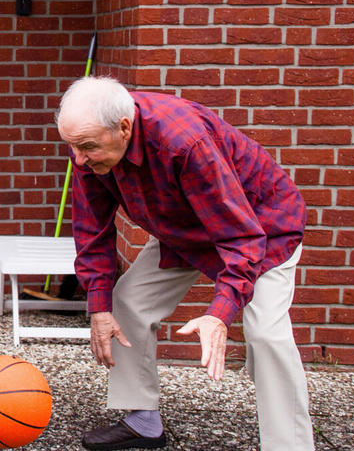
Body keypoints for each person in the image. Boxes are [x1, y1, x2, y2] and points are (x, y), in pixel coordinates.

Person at [56, 76, 313, 450]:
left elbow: (240, 237)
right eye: (73, 147)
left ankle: (290, 445)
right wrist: (97, 305)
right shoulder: (89, 142)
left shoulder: (183, 141)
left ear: (124, 128)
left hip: (262, 227)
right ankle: (143, 420)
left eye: (87, 148)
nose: (78, 159)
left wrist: (219, 313)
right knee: (126, 302)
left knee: (266, 335)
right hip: (185, 231)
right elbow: (91, 228)